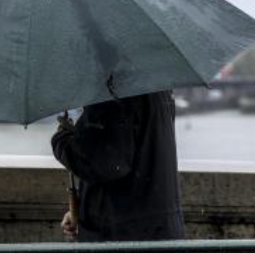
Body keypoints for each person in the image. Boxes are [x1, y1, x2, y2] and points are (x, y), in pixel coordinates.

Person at [51, 90, 186, 242]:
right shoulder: (156, 87)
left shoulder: (111, 90)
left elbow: (102, 163)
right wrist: (82, 212)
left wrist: (61, 140)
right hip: (159, 228)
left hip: (124, 234)